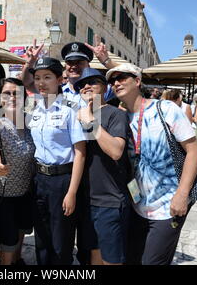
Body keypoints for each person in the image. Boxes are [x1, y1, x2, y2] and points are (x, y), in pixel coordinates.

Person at [106, 63, 197, 265]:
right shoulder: (120, 117)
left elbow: (194, 150)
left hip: (169, 205)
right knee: (132, 259)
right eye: (112, 80)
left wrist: (182, 195)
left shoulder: (165, 108)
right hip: (136, 204)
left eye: (122, 77)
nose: (116, 83)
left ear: (138, 81)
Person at [21, 53, 86, 265]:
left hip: (63, 181)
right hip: (39, 179)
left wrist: (72, 192)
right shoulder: (32, 107)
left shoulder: (71, 108)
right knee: (41, 238)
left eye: (47, 77)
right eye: (38, 77)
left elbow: (80, 153)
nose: (41, 82)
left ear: (60, 80)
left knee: (61, 241)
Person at [75, 68, 131, 265]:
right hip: (86, 200)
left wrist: (91, 122)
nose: (86, 86)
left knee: (111, 259)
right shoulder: (79, 115)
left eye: (93, 82)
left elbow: (116, 150)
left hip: (110, 201)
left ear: (105, 88)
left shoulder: (115, 114)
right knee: (94, 254)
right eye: (81, 84)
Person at [0, 77, 36, 265]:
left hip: (26, 192)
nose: (13, 97)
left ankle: (18, 261)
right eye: (7, 93)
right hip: (4, 195)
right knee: (7, 242)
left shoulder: (30, 122)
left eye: (17, 93)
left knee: (22, 231)